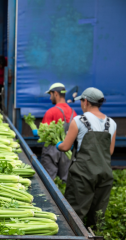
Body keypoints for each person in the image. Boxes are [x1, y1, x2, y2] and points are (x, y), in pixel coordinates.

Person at [57, 87, 116, 228]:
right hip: (104, 175)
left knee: (74, 214)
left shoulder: (79, 120)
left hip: (82, 175)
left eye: (81, 101)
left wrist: (58, 144)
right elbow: (110, 151)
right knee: (97, 216)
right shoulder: (111, 123)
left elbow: (66, 147)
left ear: (86, 102)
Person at [33, 83, 76, 182]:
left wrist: (37, 132)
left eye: (50, 95)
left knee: (48, 181)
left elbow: (43, 133)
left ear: (55, 93)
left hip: (51, 150)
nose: (50, 98)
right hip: (68, 150)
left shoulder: (51, 112)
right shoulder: (74, 112)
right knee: (67, 181)